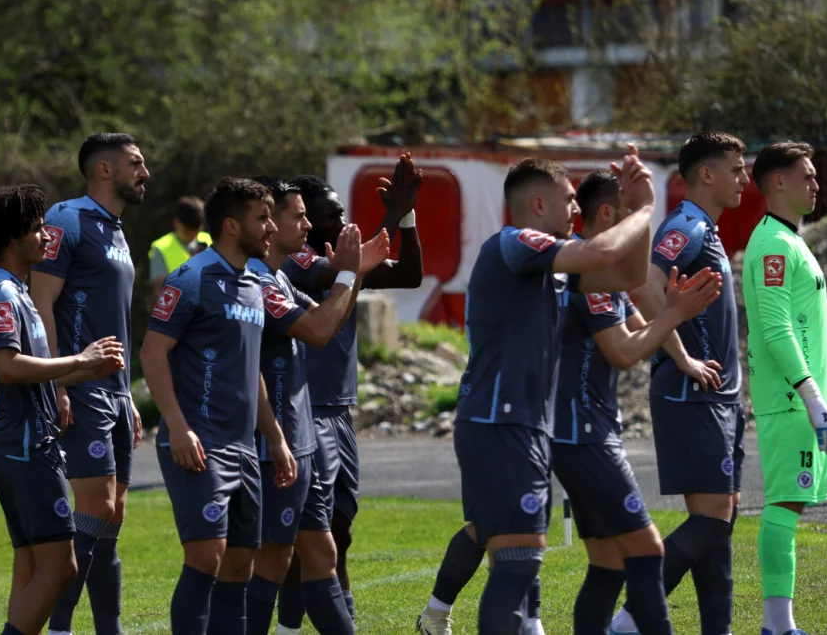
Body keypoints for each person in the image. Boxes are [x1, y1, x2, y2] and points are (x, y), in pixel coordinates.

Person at [443, 150, 657, 635]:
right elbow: (604, 253)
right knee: (516, 564)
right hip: (500, 422)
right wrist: (642, 210)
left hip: (524, 427)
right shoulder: (516, 243)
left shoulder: (551, 264)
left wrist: (639, 212)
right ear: (538, 206)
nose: (576, 211)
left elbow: (630, 276)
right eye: (567, 201)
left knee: (518, 566)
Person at [140, 176, 297, 635]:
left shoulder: (253, 282)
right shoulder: (191, 279)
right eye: (262, 218)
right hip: (199, 442)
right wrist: (177, 425)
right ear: (231, 225)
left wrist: (276, 438)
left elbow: (252, 371)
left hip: (244, 447)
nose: (271, 227)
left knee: (238, 567)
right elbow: (151, 353)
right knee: (206, 557)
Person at [274, 154, 424, 633]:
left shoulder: (340, 264)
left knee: (340, 529)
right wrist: (389, 216)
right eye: (328, 214)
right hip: (306, 409)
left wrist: (407, 218)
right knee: (315, 533)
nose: (340, 221)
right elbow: (345, 269)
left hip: (339, 408)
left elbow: (408, 275)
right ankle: (300, 623)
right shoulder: (296, 263)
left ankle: (305, 621)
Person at [0, 183, 126, 635]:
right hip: (25, 449)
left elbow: (36, 371)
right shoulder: (1, 294)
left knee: (32, 564)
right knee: (61, 568)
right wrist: (80, 361)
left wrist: (88, 369)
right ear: (10, 237)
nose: (46, 236)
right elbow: (9, 366)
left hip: (22, 446)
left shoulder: (16, 291)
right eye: (36, 229)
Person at [611, 131, 750, 635]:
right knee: (711, 522)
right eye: (736, 169)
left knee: (720, 527)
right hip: (694, 394)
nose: (744, 178)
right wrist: (685, 357)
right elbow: (644, 284)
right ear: (706, 175)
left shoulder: (706, 230)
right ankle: (627, 621)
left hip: (720, 399)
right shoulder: (687, 225)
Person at [242, 178, 389, 635]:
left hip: (299, 437)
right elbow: (320, 330)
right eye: (297, 216)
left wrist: (354, 271)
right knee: (268, 560)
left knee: (322, 552)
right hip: (272, 441)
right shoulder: (257, 281)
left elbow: (330, 315)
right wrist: (349, 271)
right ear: (268, 221)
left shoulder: (281, 276)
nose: (306, 225)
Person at [30, 132, 148, 635]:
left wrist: (128, 395)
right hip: (79, 387)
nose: (145, 172)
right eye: (136, 163)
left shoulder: (117, 230)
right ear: (104, 169)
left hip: (114, 393)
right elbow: (41, 303)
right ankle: (56, 627)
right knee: (94, 509)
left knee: (112, 518)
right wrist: (57, 381)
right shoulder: (66, 219)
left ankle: (109, 629)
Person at [741, 142, 827, 635]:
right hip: (790, 401)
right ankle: (777, 626)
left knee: (794, 500)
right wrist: (811, 397)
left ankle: (780, 625)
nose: (815, 183)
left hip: (805, 398)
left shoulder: (792, 240)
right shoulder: (771, 244)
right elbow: (776, 328)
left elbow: (810, 332)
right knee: (785, 501)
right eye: (806, 176)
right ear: (778, 183)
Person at [149, 195, 212, 298]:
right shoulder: (161, 248)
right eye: (187, 231)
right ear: (176, 223)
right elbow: (161, 295)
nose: (192, 235)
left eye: (196, 230)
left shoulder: (211, 242)